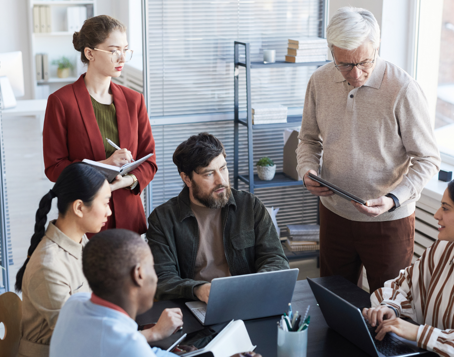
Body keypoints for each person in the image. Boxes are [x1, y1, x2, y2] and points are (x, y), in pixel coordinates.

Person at [296, 6, 440, 292]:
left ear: (377, 47)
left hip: (389, 222)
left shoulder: (403, 89)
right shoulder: (319, 81)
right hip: (334, 214)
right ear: (332, 52)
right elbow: (309, 140)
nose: (357, 73)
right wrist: (306, 170)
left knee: (387, 309)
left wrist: (393, 199)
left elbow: (428, 159)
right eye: (345, 64)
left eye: (364, 62)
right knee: (332, 300)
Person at [50, 229, 261, 357]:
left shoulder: (75, 304)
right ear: (139, 274)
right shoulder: (128, 347)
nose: (157, 276)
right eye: (153, 266)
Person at [43, 15, 156, 235]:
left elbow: (149, 160)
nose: (122, 57)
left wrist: (127, 181)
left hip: (129, 220)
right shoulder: (61, 102)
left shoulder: (135, 101)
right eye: (114, 50)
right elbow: (54, 167)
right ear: (89, 53)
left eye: (125, 49)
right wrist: (103, 164)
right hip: (85, 220)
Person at [146, 133, 289, 302]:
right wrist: (198, 289)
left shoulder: (250, 206)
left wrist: (251, 286)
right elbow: (162, 278)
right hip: (193, 304)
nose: (221, 180)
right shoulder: (163, 219)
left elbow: (276, 259)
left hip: (245, 298)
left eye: (223, 168)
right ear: (187, 179)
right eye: (209, 174)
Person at [363, 173, 454, 356]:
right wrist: (391, 308)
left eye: (446, 209)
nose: (436, 214)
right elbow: (402, 285)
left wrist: (419, 333)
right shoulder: (442, 249)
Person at [14, 163, 110, 357]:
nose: (109, 212)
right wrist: (150, 334)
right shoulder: (48, 266)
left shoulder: (79, 240)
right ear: (79, 207)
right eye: (106, 203)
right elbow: (78, 335)